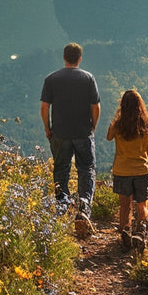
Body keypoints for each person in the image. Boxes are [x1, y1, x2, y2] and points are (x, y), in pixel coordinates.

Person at [41, 42, 100, 237]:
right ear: (79, 58)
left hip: (60, 133)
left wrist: (48, 128)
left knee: (61, 170)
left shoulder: (51, 79)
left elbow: (44, 107)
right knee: (86, 170)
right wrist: (93, 126)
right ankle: (84, 212)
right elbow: (96, 106)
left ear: (64, 57)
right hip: (83, 132)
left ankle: (62, 209)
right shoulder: (88, 78)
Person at [106, 89, 148, 254]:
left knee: (124, 206)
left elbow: (109, 137)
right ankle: (140, 232)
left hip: (122, 170)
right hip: (141, 171)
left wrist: (115, 121)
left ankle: (125, 231)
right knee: (142, 204)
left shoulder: (117, 125)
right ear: (140, 106)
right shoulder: (145, 126)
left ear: (122, 106)